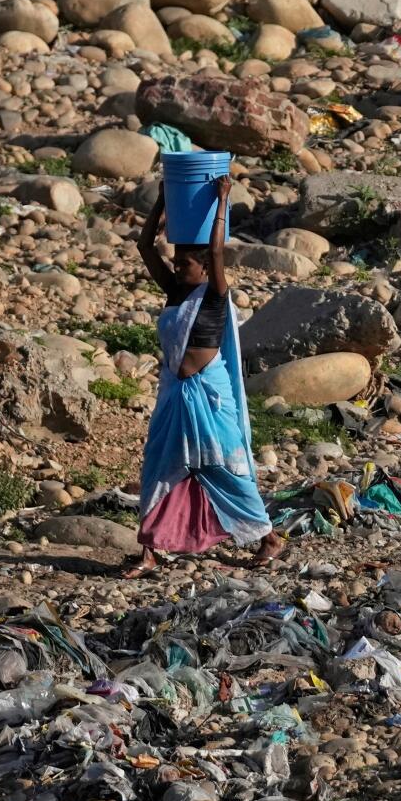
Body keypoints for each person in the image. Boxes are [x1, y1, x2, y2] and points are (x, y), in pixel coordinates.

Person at [125, 175, 284, 577]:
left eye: (186, 264)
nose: (178, 269)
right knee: (159, 468)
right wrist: (162, 201)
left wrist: (221, 202)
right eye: (177, 263)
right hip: (177, 395)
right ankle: (150, 550)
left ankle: (268, 537)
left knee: (223, 468)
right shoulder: (174, 293)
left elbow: (217, 250)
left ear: (203, 270)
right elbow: (145, 247)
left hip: (210, 397)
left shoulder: (214, 294)